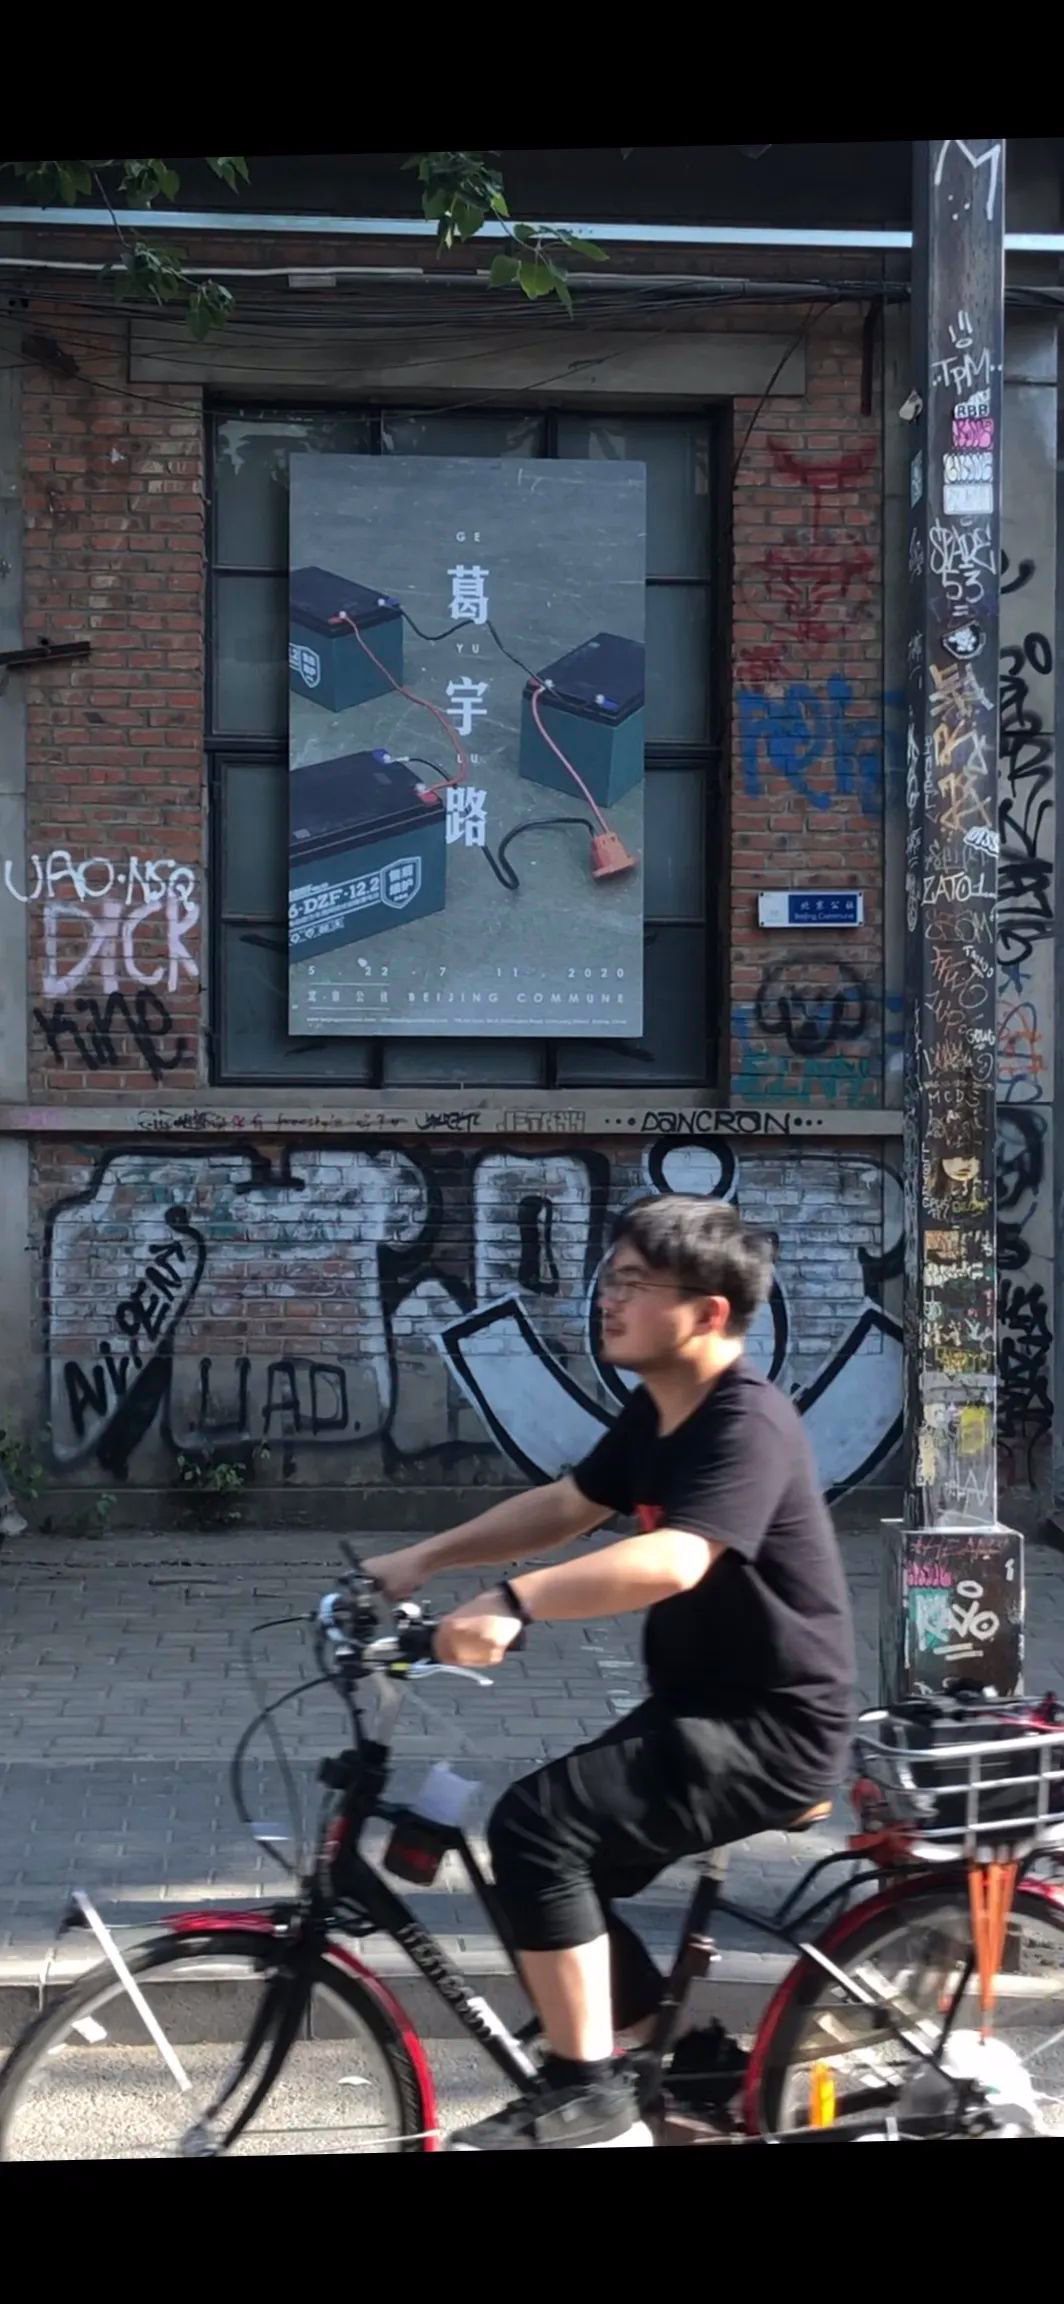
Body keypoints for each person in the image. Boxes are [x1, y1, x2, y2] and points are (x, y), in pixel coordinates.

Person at [364, 1194, 856, 2151]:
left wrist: (514, 1603)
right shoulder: (661, 1411)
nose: (609, 1300)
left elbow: (676, 1557)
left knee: (537, 1828)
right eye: (611, 1280)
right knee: (550, 1868)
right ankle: (693, 2071)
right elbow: (570, 1504)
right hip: (703, 1709)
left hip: (772, 1728)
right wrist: (420, 1560)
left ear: (709, 1312)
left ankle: (585, 2087)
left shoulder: (745, 1421)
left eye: (634, 1283)